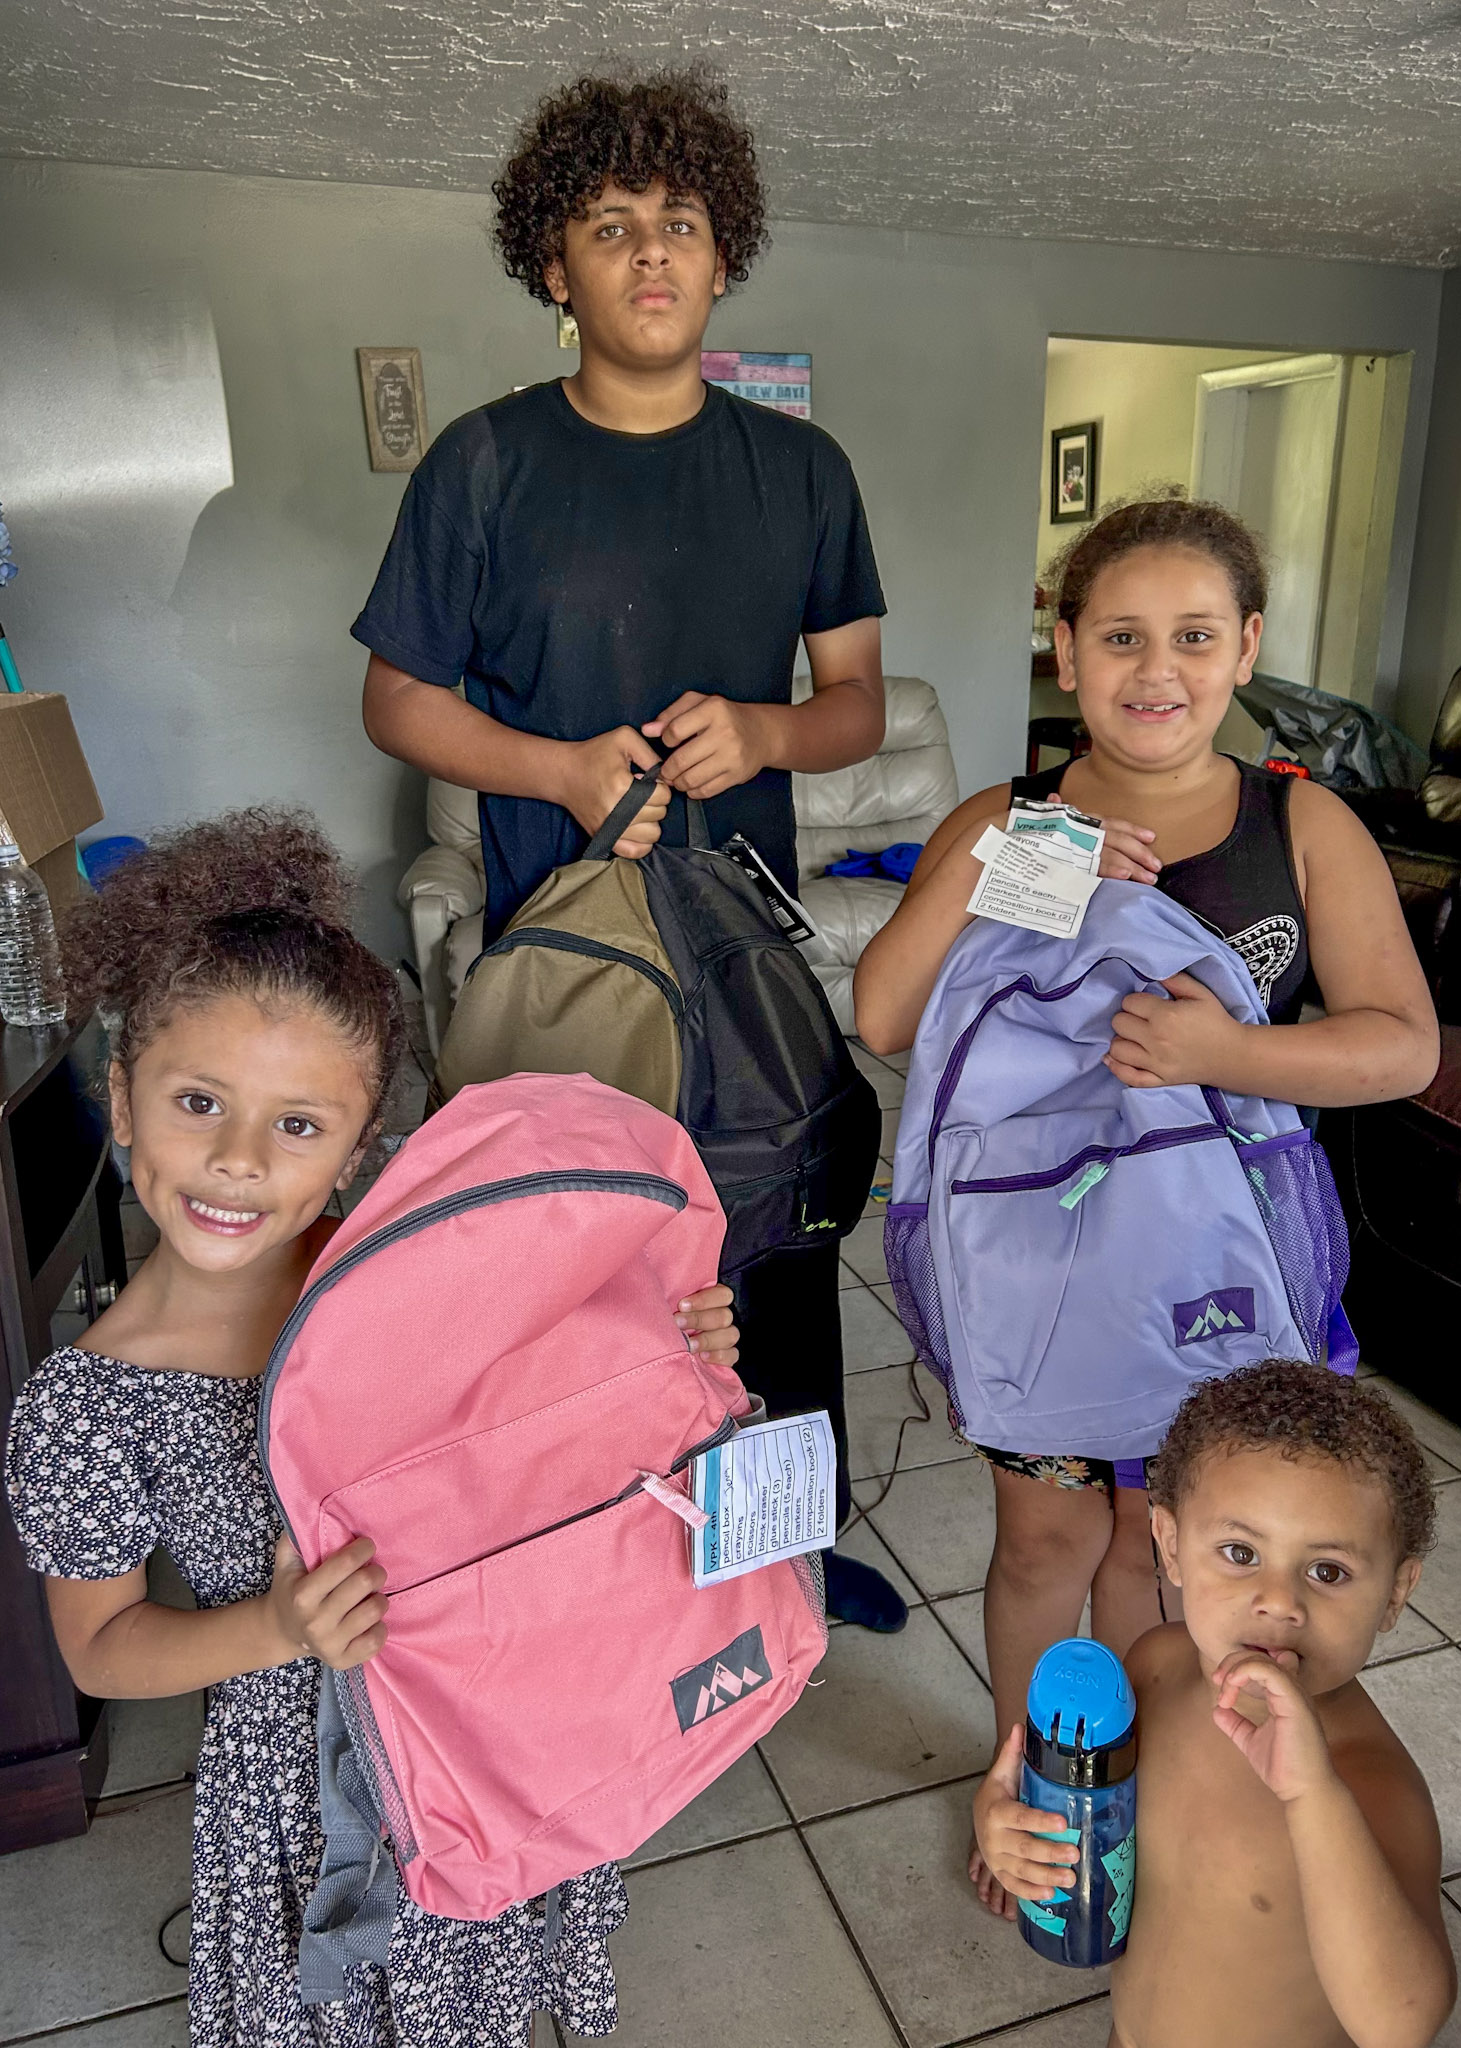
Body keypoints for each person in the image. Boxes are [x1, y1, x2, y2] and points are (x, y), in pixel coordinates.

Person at [3, 809, 742, 2046]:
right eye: (198, 1101)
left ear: (355, 1152)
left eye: (298, 1124)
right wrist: (277, 1626)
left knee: (476, 1994)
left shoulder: (415, 1283)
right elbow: (102, 1649)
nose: (238, 1159)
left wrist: (667, 1347)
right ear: (122, 1099)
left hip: (488, 1721)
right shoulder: (88, 1402)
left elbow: (552, 1422)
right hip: (303, 1790)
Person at [356, 69, 903, 1631]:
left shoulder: (803, 472)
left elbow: (855, 704)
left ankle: (780, 1552)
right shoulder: (481, 465)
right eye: (609, 226)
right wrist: (559, 765)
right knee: (581, 1264)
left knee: (769, 1243)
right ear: (555, 267)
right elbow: (396, 699)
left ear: (723, 258)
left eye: (679, 223)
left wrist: (767, 732)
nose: (650, 250)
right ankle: (600, 1569)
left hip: (740, 950)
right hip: (563, 944)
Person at [853, 495, 1440, 1900]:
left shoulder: (1300, 824)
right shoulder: (1009, 819)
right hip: (1039, 1276)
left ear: (1244, 647)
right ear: (1063, 652)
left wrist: (1221, 1053)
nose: (1153, 669)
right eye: (1118, 636)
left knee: (1154, 1543)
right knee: (1043, 1539)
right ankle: (1024, 1791)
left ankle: (1129, 1777)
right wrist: (1019, 866)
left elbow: (1399, 1045)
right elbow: (883, 1014)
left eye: (1191, 635)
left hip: (1220, 1277)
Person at [975, 1360, 1456, 2048]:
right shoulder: (1153, 1669)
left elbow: (1401, 2024)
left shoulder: (1369, 1785)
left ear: (1395, 1593)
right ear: (1171, 1546)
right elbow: (1094, 1832)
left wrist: (1312, 1797)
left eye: (1328, 1571)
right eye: (1239, 1552)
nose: (1278, 1602)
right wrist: (1007, 1829)